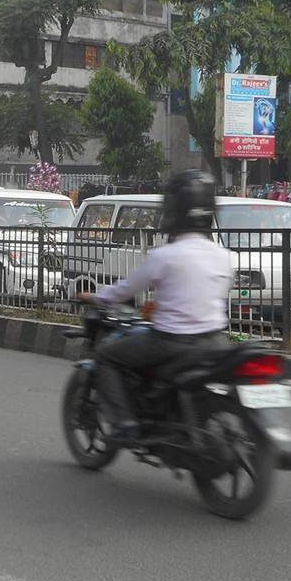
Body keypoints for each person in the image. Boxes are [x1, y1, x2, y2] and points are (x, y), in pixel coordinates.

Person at [80, 170, 233, 441]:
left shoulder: (165, 256)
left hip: (171, 343)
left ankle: (124, 423)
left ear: (173, 208)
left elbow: (126, 289)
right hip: (216, 343)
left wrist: (97, 296)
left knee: (107, 356)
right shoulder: (224, 256)